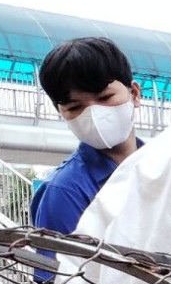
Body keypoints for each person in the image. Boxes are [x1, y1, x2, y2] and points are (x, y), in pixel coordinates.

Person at [31, 37, 145, 244]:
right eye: (75, 108)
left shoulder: (164, 163)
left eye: (105, 97)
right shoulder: (64, 191)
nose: (94, 114)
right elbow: (56, 274)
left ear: (134, 94)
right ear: (61, 113)